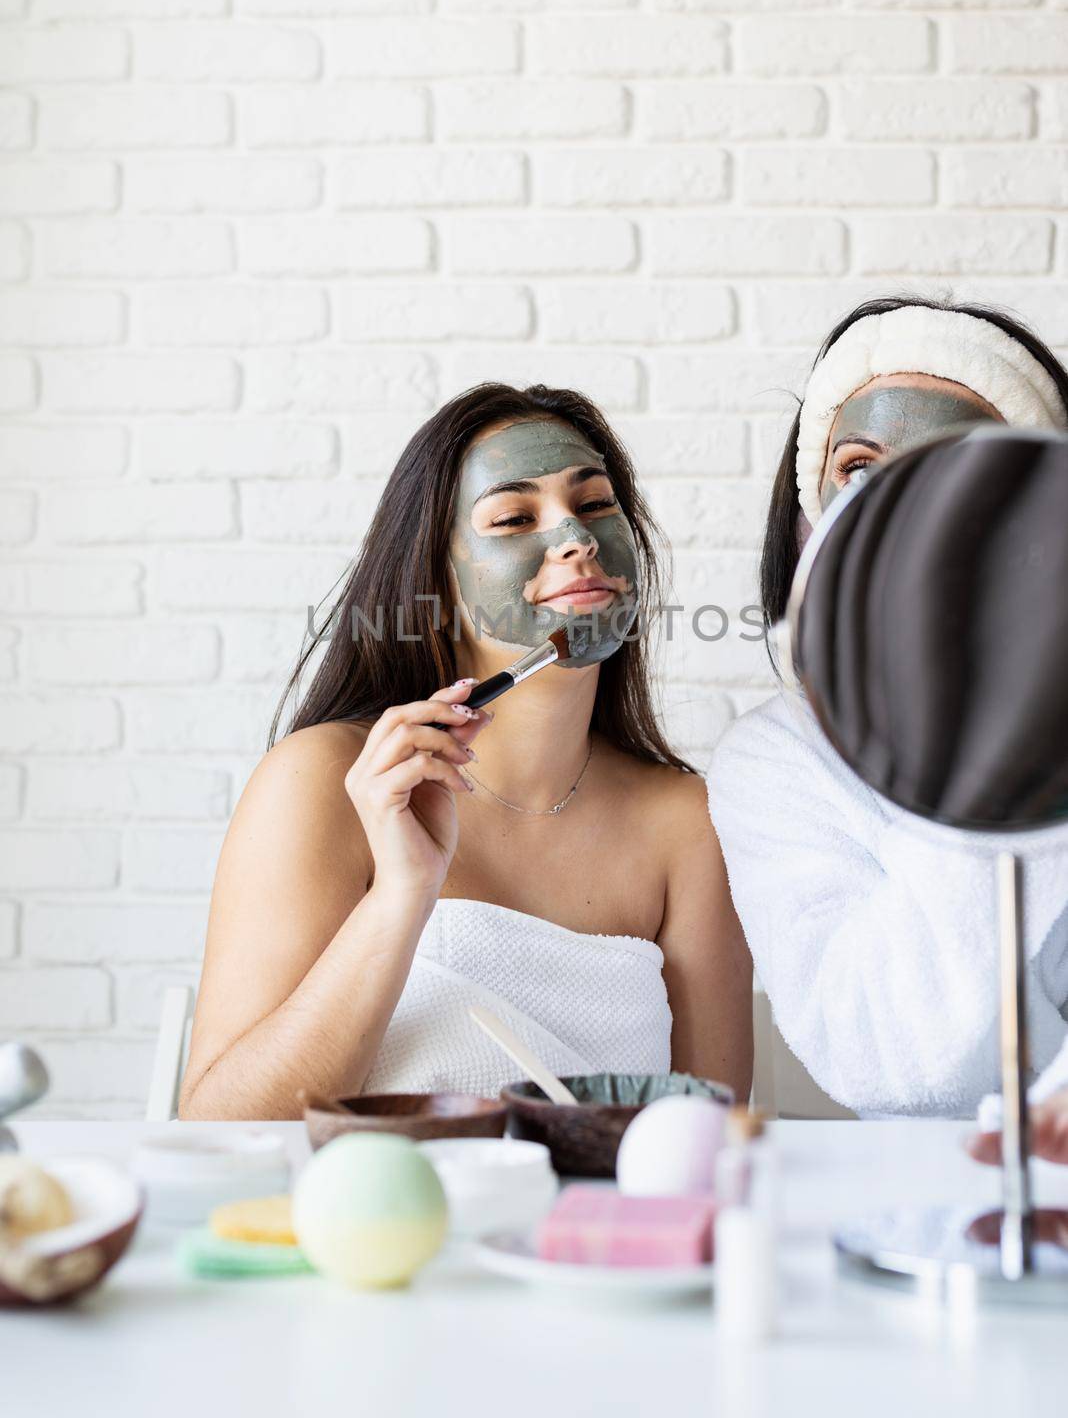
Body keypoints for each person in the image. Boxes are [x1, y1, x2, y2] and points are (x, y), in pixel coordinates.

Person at [180, 384, 753, 1119]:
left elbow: (712, 1141)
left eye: (597, 505)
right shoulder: (321, 783)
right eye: (515, 518)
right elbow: (222, 1130)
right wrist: (401, 897)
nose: (575, 539)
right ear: (437, 584)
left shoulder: (690, 823)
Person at [706, 296, 1068, 1118]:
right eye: (860, 469)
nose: (895, 509)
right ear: (812, 521)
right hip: (911, 1196)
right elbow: (887, 1059)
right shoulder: (774, 761)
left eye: (949, 465)